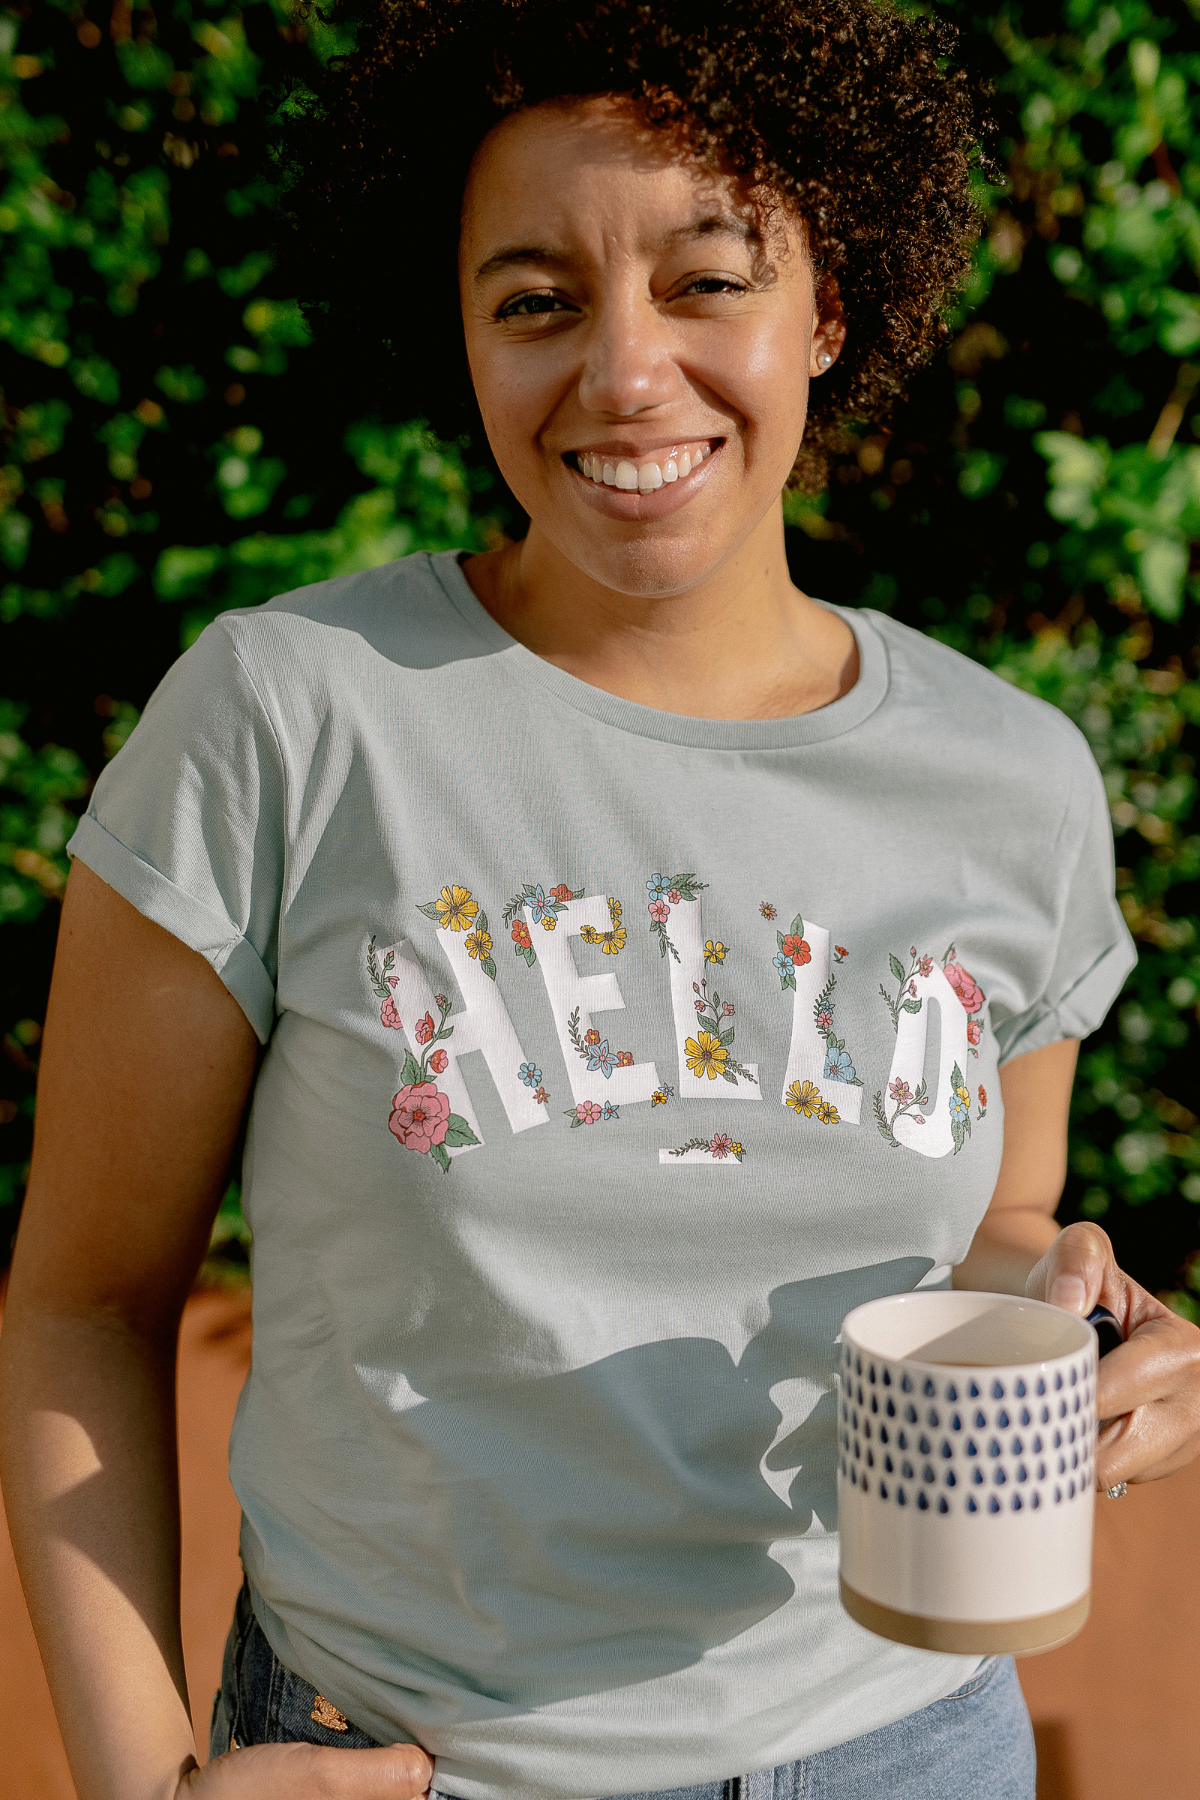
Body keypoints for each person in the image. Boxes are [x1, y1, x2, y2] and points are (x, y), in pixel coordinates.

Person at [3, 2, 1199, 1797]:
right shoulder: (292, 718)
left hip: (906, 1745)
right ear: (464, 336)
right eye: (536, 301)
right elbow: (84, 1300)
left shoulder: (1012, 776)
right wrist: (143, 1783)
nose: (627, 375)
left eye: (707, 282)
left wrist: (1092, 1316)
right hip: (410, 1756)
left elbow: (997, 1222)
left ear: (830, 309)